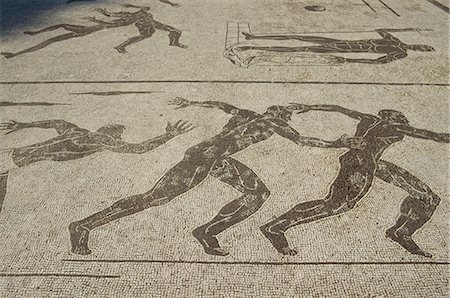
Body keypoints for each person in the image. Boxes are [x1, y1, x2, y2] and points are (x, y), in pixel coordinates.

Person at [69, 97, 364, 256]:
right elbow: (302, 141)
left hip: (216, 158)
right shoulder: (273, 121)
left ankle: (207, 233)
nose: (288, 116)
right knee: (152, 199)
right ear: (280, 114)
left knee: (257, 193)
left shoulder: (249, 113)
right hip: (204, 158)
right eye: (287, 113)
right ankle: (83, 225)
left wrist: (190, 103)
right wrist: (339, 143)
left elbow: (222, 105)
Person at [260, 104, 449, 257]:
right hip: (361, 166)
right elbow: (433, 135)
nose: (405, 122)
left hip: (367, 162)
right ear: (394, 119)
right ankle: (276, 227)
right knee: (336, 205)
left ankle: (402, 232)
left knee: (427, 196)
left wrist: (309, 106)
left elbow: (340, 108)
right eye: (402, 119)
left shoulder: (370, 119)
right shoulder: (393, 126)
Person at [0, 119, 193, 215]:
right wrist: (169, 135)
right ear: (110, 134)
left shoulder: (76, 130)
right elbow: (138, 149)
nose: (117, 140)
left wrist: (22, 125)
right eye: (118, 136)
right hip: (9, 161)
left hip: (11, 156)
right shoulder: (100, 141)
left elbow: (55, 122)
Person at [1, 3, 185, 58]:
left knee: (54, 36)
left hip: (89, 29)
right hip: (85, 30)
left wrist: (101, 15)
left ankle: (22, 47)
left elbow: (119, 17)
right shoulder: (134, 18)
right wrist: (100, 16)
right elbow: (117, 19)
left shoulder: (140, 18)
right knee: (51, 39)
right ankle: (20, 49)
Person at [238, 28, 434, 64]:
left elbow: (379, 62)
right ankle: (254, 37)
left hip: (345, 49)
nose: (419, 48)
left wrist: (347, 59)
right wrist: (409, 28)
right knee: (297, 37)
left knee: (298, 49)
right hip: (340, 43)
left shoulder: (400, 53)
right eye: (423, 46)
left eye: (423, 50)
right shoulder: (395, 40)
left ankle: (251, 49)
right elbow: (381, 28)